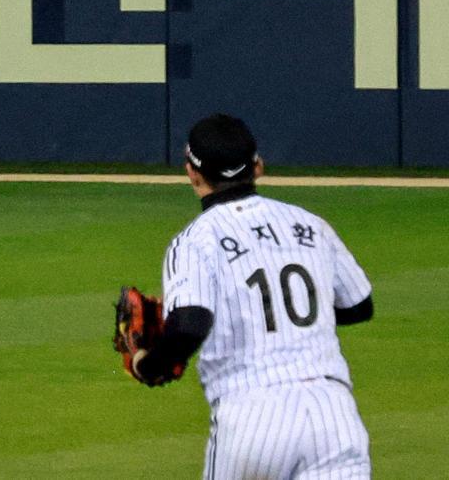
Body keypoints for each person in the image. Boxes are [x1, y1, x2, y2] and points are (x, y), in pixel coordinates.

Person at [133, 114, 374, 478]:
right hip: (333, 416)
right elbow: (358, 305)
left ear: (192, 173)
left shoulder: (196, 241)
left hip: (252, 416)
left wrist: (148, 364)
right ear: (258, 166)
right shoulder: (309, 224)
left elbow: (189, 325)